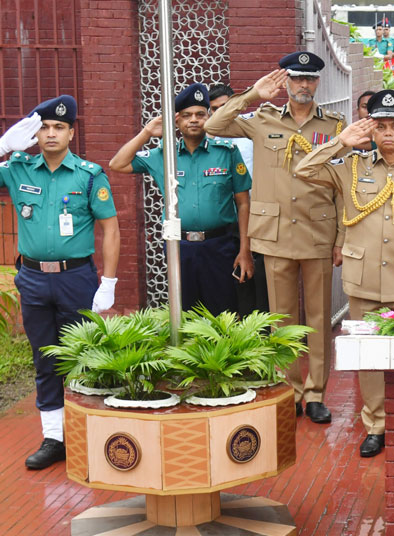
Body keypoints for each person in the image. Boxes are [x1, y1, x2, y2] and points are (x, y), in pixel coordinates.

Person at [296, 90, 394, 458]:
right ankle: (376, 425)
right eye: (381, 126)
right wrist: (340, 142)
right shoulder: (351, 166)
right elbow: (303, 169)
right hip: (363, 279)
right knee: (370, 358)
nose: (389, 133)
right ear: (371, 131)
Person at [204, 51, 346, 424]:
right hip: (276, 232)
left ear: (318, 82)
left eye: (310, 79)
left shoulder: (334, 125)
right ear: (286, 83)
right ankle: (290, 390)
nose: (303, 85)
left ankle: (315, 394)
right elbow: (214, 126)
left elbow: (344, 186)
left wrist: (342, 237)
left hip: (318, 230)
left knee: (317, 318)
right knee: (281, 318)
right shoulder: (261, 118)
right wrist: (252, 95)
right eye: (296, 79)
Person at [0, 95, 120, 469]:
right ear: (35, 133)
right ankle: (54, 438)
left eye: (58, 127)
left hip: (76, 278)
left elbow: (110, 229)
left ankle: (88, 434)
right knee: (45, 358)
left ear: (71, 133)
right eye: (44, 127)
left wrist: (110, 281)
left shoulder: (88, 174)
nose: (50, 133)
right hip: (33, 278)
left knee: (83, 356)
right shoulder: (18, 168)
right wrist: (2, 146)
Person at [110, 83, 253, 315]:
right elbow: (117, 164)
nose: (193, 120)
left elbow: (243, 202)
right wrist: (147, 132)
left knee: (224, 314)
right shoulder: (163, 155)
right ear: (176, 122)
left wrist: (245, 251)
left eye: (200, 114)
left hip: (222, 246)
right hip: (180, 247)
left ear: (209, 118)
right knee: (184, 314)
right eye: (186, 115)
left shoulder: (226, 152)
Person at [209, 83, 270, 315]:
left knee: (257, 283)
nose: (220, 112)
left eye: (225, 106)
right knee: (229, 285)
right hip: (223, 225)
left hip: (255, 219)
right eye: (214, 109)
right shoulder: (205, 141)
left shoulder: (250, 135)